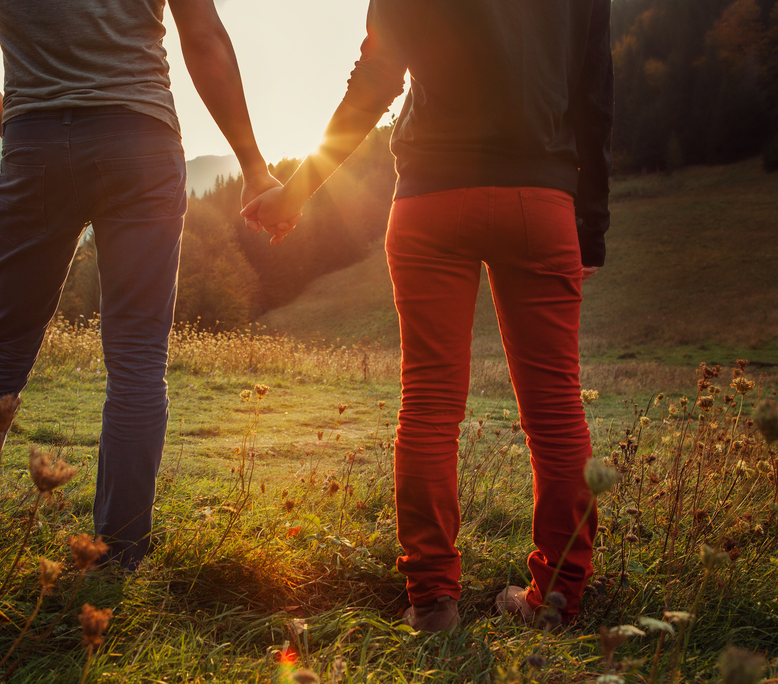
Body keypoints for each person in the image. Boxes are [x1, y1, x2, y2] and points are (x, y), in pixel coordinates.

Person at [242, 0, 612, 630]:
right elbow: (594, 95)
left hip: (432, 199)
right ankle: (554, 601)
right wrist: (592, 226)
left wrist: (300, 188)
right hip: (540, 199)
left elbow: (377, 77)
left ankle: (433, 603)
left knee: (431, 403)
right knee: (555, 411)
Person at [0, 0, 283, 569]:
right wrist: (253, 164)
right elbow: (204, 37)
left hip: (36, 140)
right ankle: (117, 558)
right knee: (137, 357)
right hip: (141, 140)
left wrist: (16, 122)